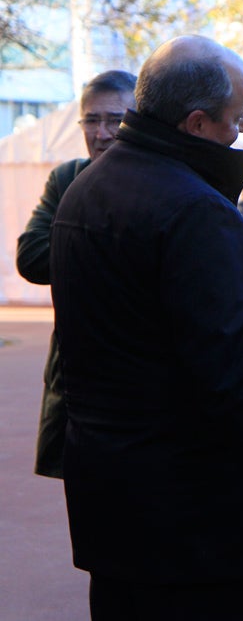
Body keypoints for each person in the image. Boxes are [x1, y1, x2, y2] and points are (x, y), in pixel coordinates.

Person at [48, 35, 243, 620]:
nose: (242, 131)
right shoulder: (195, 211)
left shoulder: (88, 188)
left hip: (114, 503)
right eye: (235, 119)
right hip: (198, 519)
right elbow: (236, 379)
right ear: (196, 123)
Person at [16, 69, 136, 479]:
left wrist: (75, 250)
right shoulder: (66, 179)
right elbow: (31, 257)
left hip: (147, 380)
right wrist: (114, 250)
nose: (102, 133)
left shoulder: (170, 181)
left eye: (115, 119)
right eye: (92, 119)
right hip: (78, 374)